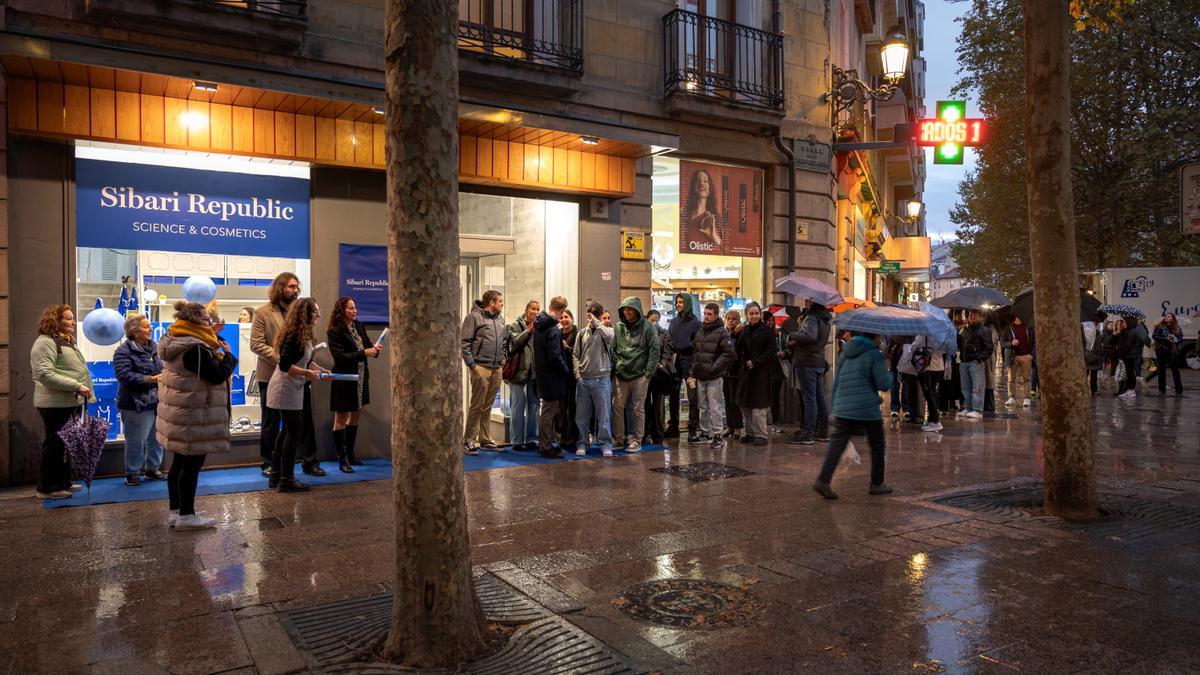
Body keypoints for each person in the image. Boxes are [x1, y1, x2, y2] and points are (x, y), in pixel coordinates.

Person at [157, 301, 239, 529]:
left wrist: (208, 336)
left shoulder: (175, 339)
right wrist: (229, 355)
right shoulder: (196, 348)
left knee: (178, 464)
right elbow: (216, 375)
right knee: (191, 466)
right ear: (195, 322)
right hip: (194, 415)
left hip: (181, 413)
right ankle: (186, 515)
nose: (210, 323)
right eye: (206, 320)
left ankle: (176, 510)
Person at [812, 332, 894, 500]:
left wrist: (835, 405)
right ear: (875, 337)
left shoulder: (847, 351)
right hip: (866, 407)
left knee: (837, 444)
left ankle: (823, 480)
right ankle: (877, 484)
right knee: (877, 444)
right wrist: (889, 370)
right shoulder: (874, 354)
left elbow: (837, 380)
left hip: (843, 406)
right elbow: (883, 384)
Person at [30, 304, 94, 500]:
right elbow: (44, 373)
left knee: (65, 444)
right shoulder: (45, 343)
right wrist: (76, 385)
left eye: (73, 318)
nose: (73, 322)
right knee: (55, 445)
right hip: (55, 404)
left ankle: (63, 482)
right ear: (54, 321)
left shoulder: (64, 341)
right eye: (68, 318)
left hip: (66, 401)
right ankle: (48, 488)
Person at [267, 298, 331, 491]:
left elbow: (305, 360)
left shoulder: (304, 333)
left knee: (287, 430)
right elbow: (285, 365)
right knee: (292, 431)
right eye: (315, 312)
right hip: (285, 387)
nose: (318, 315)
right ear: (305, 314)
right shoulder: (294, 335)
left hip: (293, 386)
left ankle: (277, 476)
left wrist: (319, 369)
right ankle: (286, 479)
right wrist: (308, 374)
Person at [251, 273, 300, 477]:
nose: (295, 290)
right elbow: (256, 344)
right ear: (280, 288)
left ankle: (288, 461)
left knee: (292, 422)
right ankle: (268, 462)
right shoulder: (262, 312)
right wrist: (281, 358)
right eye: (291, 286)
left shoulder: (297, 313)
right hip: (270, 374)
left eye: (297, 286)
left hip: (295, 374)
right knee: (270, 421)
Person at [326, 297, 380, 473]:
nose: (355, 311)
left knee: (357, 412)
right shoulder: (334, 330)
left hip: (362, 375)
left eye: (355, 308)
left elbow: (368, 346)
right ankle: (342, 459)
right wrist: (363, 352)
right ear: (342, 310)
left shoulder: (358, 326)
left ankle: (350, 453)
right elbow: (340, 357)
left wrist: (375, 349)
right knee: (341, 417)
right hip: (344, 376)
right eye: (351, 308)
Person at [113, 313, 165, 486]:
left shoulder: (154, 347)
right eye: (145, 326)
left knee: (157, 438)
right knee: (136, 440)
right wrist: (151, 379)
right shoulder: (123, 351)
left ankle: (152, 469)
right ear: (134, 332)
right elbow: (124, 376)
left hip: (157, 401)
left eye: (149, 325)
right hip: (135, 403)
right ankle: (132, 472)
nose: (150, 328)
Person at [612, 297, 661, 452]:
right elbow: (613, 349)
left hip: (640, 376)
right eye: (624, 309)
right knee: (617, 407)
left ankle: (637, 440)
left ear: (637, 310)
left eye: (630, 309)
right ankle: (618, 439)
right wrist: (616, 366)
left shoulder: (648, 327)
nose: (627, 312)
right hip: (621, 375)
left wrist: (648, 373)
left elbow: (654, 351)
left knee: (638, 409)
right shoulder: (618, 327)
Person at [460, 290, 506, 455]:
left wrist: (503, 360)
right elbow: (465, 342)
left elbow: (504, 341)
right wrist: (472, 365)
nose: (502, 304)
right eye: (500, 301)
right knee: (477, 405)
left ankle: (485, 438)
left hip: (496, 367)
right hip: (480, 367)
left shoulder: (500, 319)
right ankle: (468, 440)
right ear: (492, 303)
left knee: (488, 405)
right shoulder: (474, 317)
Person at [529, 297, 571, 459]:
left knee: (546, 411)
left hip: (542, 374)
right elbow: (554, 356)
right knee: (548, 412)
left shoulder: (539, 325)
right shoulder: (553, 329)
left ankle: (545, 444)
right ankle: (545, 447)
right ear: (561, 311)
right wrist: (565, 370)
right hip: (552, 377)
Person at [690, 303, 736, 449]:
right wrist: (693, 371)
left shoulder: (722, 332)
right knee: (702, 406)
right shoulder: (700, 330)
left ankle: (717, 435)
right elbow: (696, 353)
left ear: (716, 315)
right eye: (705, 313)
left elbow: (729, 353)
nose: (707, 317)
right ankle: (706, 432)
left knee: (715, 406)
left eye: (710, 314)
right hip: (701, 375)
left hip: (714, 376)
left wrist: (715, 367)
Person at [574, 302, 615, 457]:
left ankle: (605, 444)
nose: (590, 317)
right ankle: (583, 443)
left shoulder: (606, 330)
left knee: (604, 415)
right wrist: (577, 374)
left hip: (602, 379)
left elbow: (610, 337)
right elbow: (575, 355)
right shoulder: (582, 333)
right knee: (582, 416)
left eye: (593, 314)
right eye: (589, 314)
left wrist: (598, 322)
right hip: (584, 379)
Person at [788, 300, 832, 445]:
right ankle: (822, 432)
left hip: (807, 362)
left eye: (808, 299)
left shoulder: (813, 317)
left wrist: (792, 336)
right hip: (817, 362)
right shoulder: (825, 318)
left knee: (810, 399)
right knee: (819, 398)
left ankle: (808, 434)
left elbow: (809, 336)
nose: (805, 301)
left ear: (814, 303)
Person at [736, 302, 776, 446]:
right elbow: (738, 348)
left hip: (761, 373)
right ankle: (749, 432)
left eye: (756, 313)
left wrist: (756, 361)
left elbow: (771, 351)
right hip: (746, 373)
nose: (754, 316)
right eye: (751, 314)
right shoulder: (744, 330)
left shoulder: (767, 330)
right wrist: (736, 332)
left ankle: (761, 434)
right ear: (747, 315)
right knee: (745, 404)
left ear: (760, 314)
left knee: (759, 406)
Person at [505, 301, 540, 452]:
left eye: (538, 309)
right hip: (518, 371)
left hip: (534, 373)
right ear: (526, 310)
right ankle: (517, 440)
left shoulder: (540, 327)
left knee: (533, 407)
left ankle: (532, 439)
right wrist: (529, 330)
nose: (535, 312)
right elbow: (515, 343)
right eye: (533, 309)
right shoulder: (514, 326)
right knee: (517, 407)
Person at [667, 293, 701, 440]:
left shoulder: (696, 324)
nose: (678, 305)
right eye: (677, 302)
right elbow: (669, 340)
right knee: (673, 395)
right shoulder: (673, 322)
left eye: (681, 302)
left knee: (693, 397)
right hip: (675, 361)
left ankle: (692, 429)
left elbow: (698, 345)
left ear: (687, 303)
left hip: (690, 362)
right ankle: (673, 426)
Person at [644, 308, 675, 446]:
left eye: (657, 320)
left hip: (659, 375)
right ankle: (644, 433)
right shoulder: (643, 333)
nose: (654, 323)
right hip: (645, 374)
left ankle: (658, 433)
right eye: (652, 320)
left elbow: (667, 353)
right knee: (644, 404)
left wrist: (659, 365)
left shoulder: (664, 334)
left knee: (658, 404)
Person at [958, 310, 992, 419]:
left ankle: (977, 409)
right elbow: (960, 343)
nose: (972, 317)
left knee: (977, 386)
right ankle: (968, 407)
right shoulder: (965, 329)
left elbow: (989, 348)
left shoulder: (984, 330)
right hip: (964, 361)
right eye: (971, 315)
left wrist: (978, 359)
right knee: (965, 387)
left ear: (980, 317)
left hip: (975, 361)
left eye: (975, 315)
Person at [911, 334, 945, 432]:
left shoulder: (923, 335)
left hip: (927, 367)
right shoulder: (941, 335)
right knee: (932, 393)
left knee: (928, 394)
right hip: (938, 366)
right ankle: (932, 419)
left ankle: (935, 421)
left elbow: (914, 347)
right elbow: (945, 350)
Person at [557, 309, 580, 449]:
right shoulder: (557, 334)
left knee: (574, 409)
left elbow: (580, 354)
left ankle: (574, 438)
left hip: (574, 377)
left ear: (572, 318)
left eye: (566, 317)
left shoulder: (578, 334)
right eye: (562, 317)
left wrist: (568, 348)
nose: (564, 320)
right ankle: (562, 438)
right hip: (561, 378)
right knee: (561, 410)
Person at [1147, 313, 1184, 396]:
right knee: (1162, 370)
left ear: (1172, 318)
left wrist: (1176, 340)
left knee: (1175, 370)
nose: (1166, 317)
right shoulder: (1160, 327)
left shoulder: (1177, 328)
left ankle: (1179, 389)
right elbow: (1155, 336)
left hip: (1173, 351)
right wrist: (1166, 339)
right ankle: (1162, 389)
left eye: (1169, 316)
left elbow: (1181, 337)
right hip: (1162, 350)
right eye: (1166, 316)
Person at [722, 310, 745, 440]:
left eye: (734, 319)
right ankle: (729, 426)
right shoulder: (724, 334)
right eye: (728, 318)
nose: (731, 321)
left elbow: (737, 351)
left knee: (735, 401)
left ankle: (738, 427)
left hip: (737, 372)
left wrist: (736, 335)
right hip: (726, 372)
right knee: (727, 400)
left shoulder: (741, 333)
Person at [1003, 317, 1035, 407]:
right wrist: (1011, 343)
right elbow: (1002, 342)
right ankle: (1011, 397)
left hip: (1026, 356)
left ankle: (1027, 398)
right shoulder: (1008, 327)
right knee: (1011, 378)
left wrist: (1031, 355)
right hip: (1013, 357)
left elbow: (1035, 342)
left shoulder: (1029, 327)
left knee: (1026, 378)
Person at [687, 169, 721, 248]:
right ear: (693, 185)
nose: (701, 183)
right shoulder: (683, 215)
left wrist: (713, 236)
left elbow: (726, 250)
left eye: (705, 181)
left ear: (710, 187)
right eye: (698, 180)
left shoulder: (717, 219)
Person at [1083, 311, 1107, 395]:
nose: (1094, 324)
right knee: (1085, 373)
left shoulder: (1098, 333)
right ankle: (1084, 389)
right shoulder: (1084, 332)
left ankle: (1094, 389)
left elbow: (1100, 344)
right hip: (1086, 355)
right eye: (1093, 323)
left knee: (1094, 375)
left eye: (1096, 323)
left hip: (1095, 356)